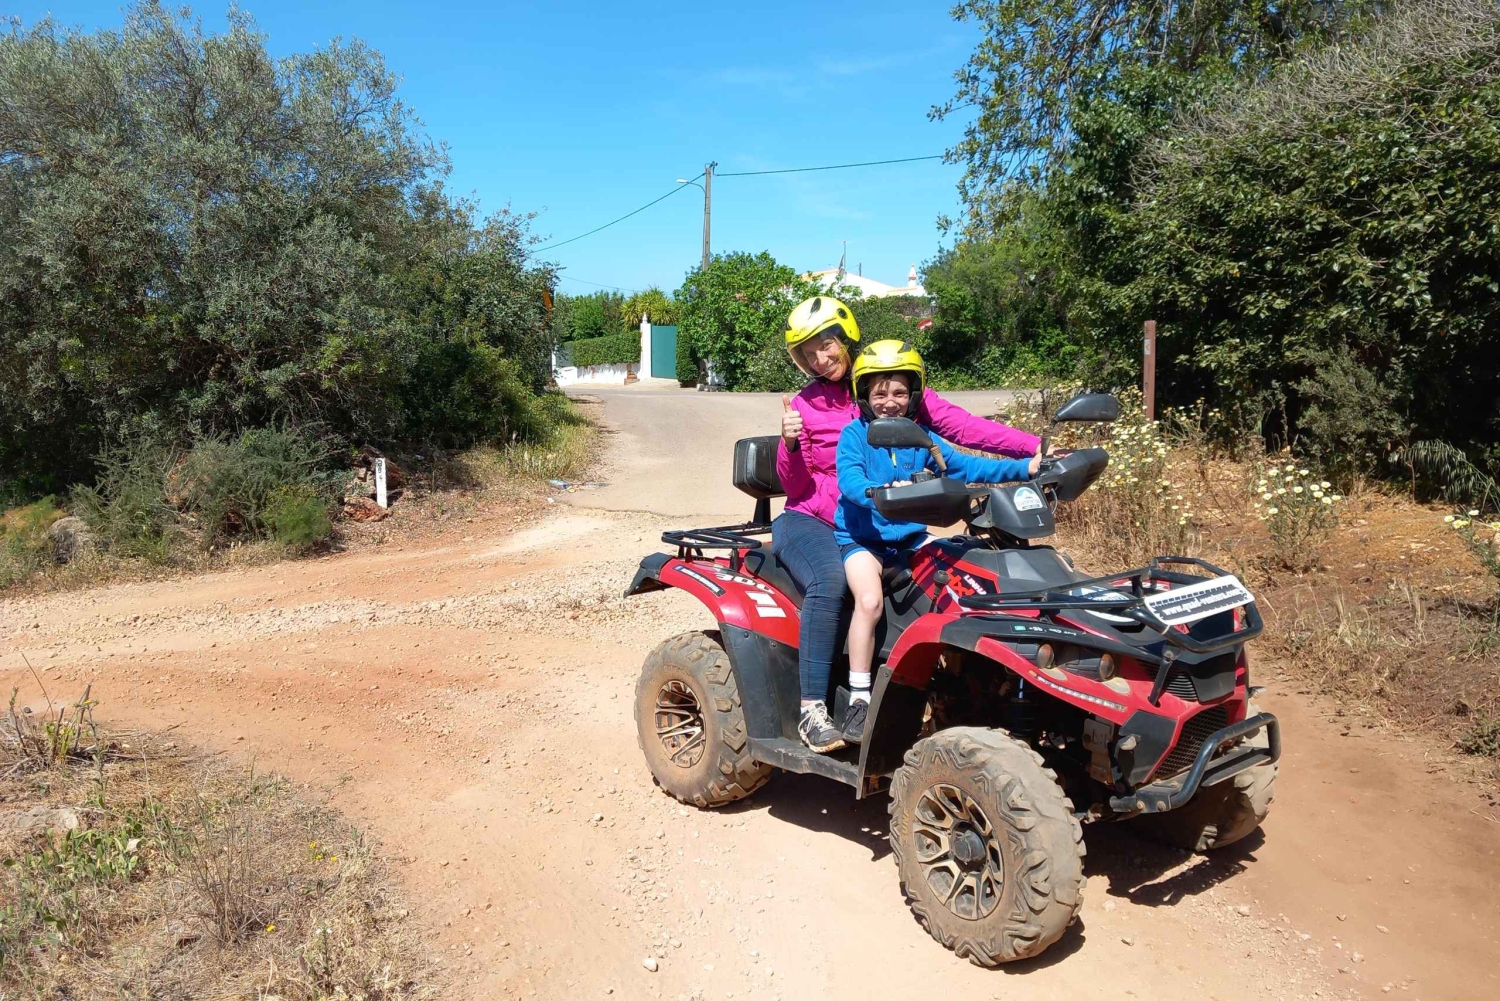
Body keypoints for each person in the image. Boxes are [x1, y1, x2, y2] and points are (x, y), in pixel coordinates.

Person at [773, 295, 1040, 753]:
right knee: (832, 582)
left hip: (893, 525)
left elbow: (963, 433)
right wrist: (790, 442)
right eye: (809, 351)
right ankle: (813, 709)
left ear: (846, 338)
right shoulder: (806, 404)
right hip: (820, 519)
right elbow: (793, 484)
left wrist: (1034, 451)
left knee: (958, 574)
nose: (821, 357)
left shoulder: (886, 383)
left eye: (827, 344)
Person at [834, 340, 1041, 744]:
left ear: (912, 396)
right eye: (879, 393)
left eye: (898, 393)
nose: (889, 402)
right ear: (864, 396)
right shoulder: (854, 436)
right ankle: (860, 697)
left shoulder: (921, 437)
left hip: (910, 537)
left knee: (965, 585)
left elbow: (967, 465)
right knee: (870, 601)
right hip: (864, 540)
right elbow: (850, 479)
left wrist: (1025, 467)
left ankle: (957, 682)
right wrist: (877, 491)